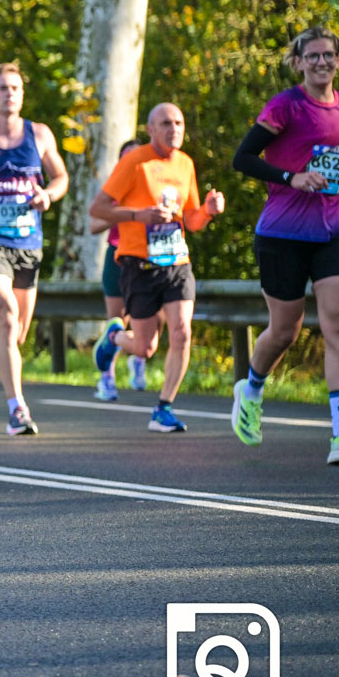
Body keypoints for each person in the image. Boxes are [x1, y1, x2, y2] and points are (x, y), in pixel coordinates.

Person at [228, 26, 339, 464]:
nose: (321, 62)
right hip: (283, 234)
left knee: (336, 324)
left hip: (332, 233)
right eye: (313, 56)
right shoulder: (285, 106)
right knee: (285, 330)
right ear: (298, 62)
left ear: (337, 61)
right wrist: (290, 178)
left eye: (328, 55)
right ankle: (251, 390)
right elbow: (242, 159)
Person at [90, 103, 226, 432]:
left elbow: (191, 220)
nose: (174, 129)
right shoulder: (134, 162)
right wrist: (138, 216)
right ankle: (114, 337)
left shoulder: (185, 163)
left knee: (182, 332)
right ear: (150, 129)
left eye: (178, 122)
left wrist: (207, 211)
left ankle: (164, 408)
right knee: (145, 347)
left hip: (177, 262)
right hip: (139, 264)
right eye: (166, 123)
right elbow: (98, 209)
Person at [0, 64, 69, 435]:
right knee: (7, 317)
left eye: (15, 88)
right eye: (2, 88)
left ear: (22, 94)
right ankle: (17, 409)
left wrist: (48, 195)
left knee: (17, 333)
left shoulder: (39, 134)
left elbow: (61, 177)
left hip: (27, 242)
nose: (10, 93)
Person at [90, 139, 147, 401]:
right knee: (116, 321)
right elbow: (93, 225)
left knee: (151, 320)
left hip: (149, 259)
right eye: (126, 158)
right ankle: (107, 378)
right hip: (117, 256)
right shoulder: (113, 190)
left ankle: (138, 359)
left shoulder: (155, 186)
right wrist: (123, 213)